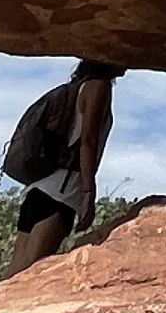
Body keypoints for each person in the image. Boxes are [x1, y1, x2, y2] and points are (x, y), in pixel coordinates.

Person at [7, 61, 124, 275]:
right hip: (63, 190)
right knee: (32, 270)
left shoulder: (73, 89)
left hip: (38, 186)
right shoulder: (99, 86)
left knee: (16, 269)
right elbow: (88, 140)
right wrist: (88, 191)